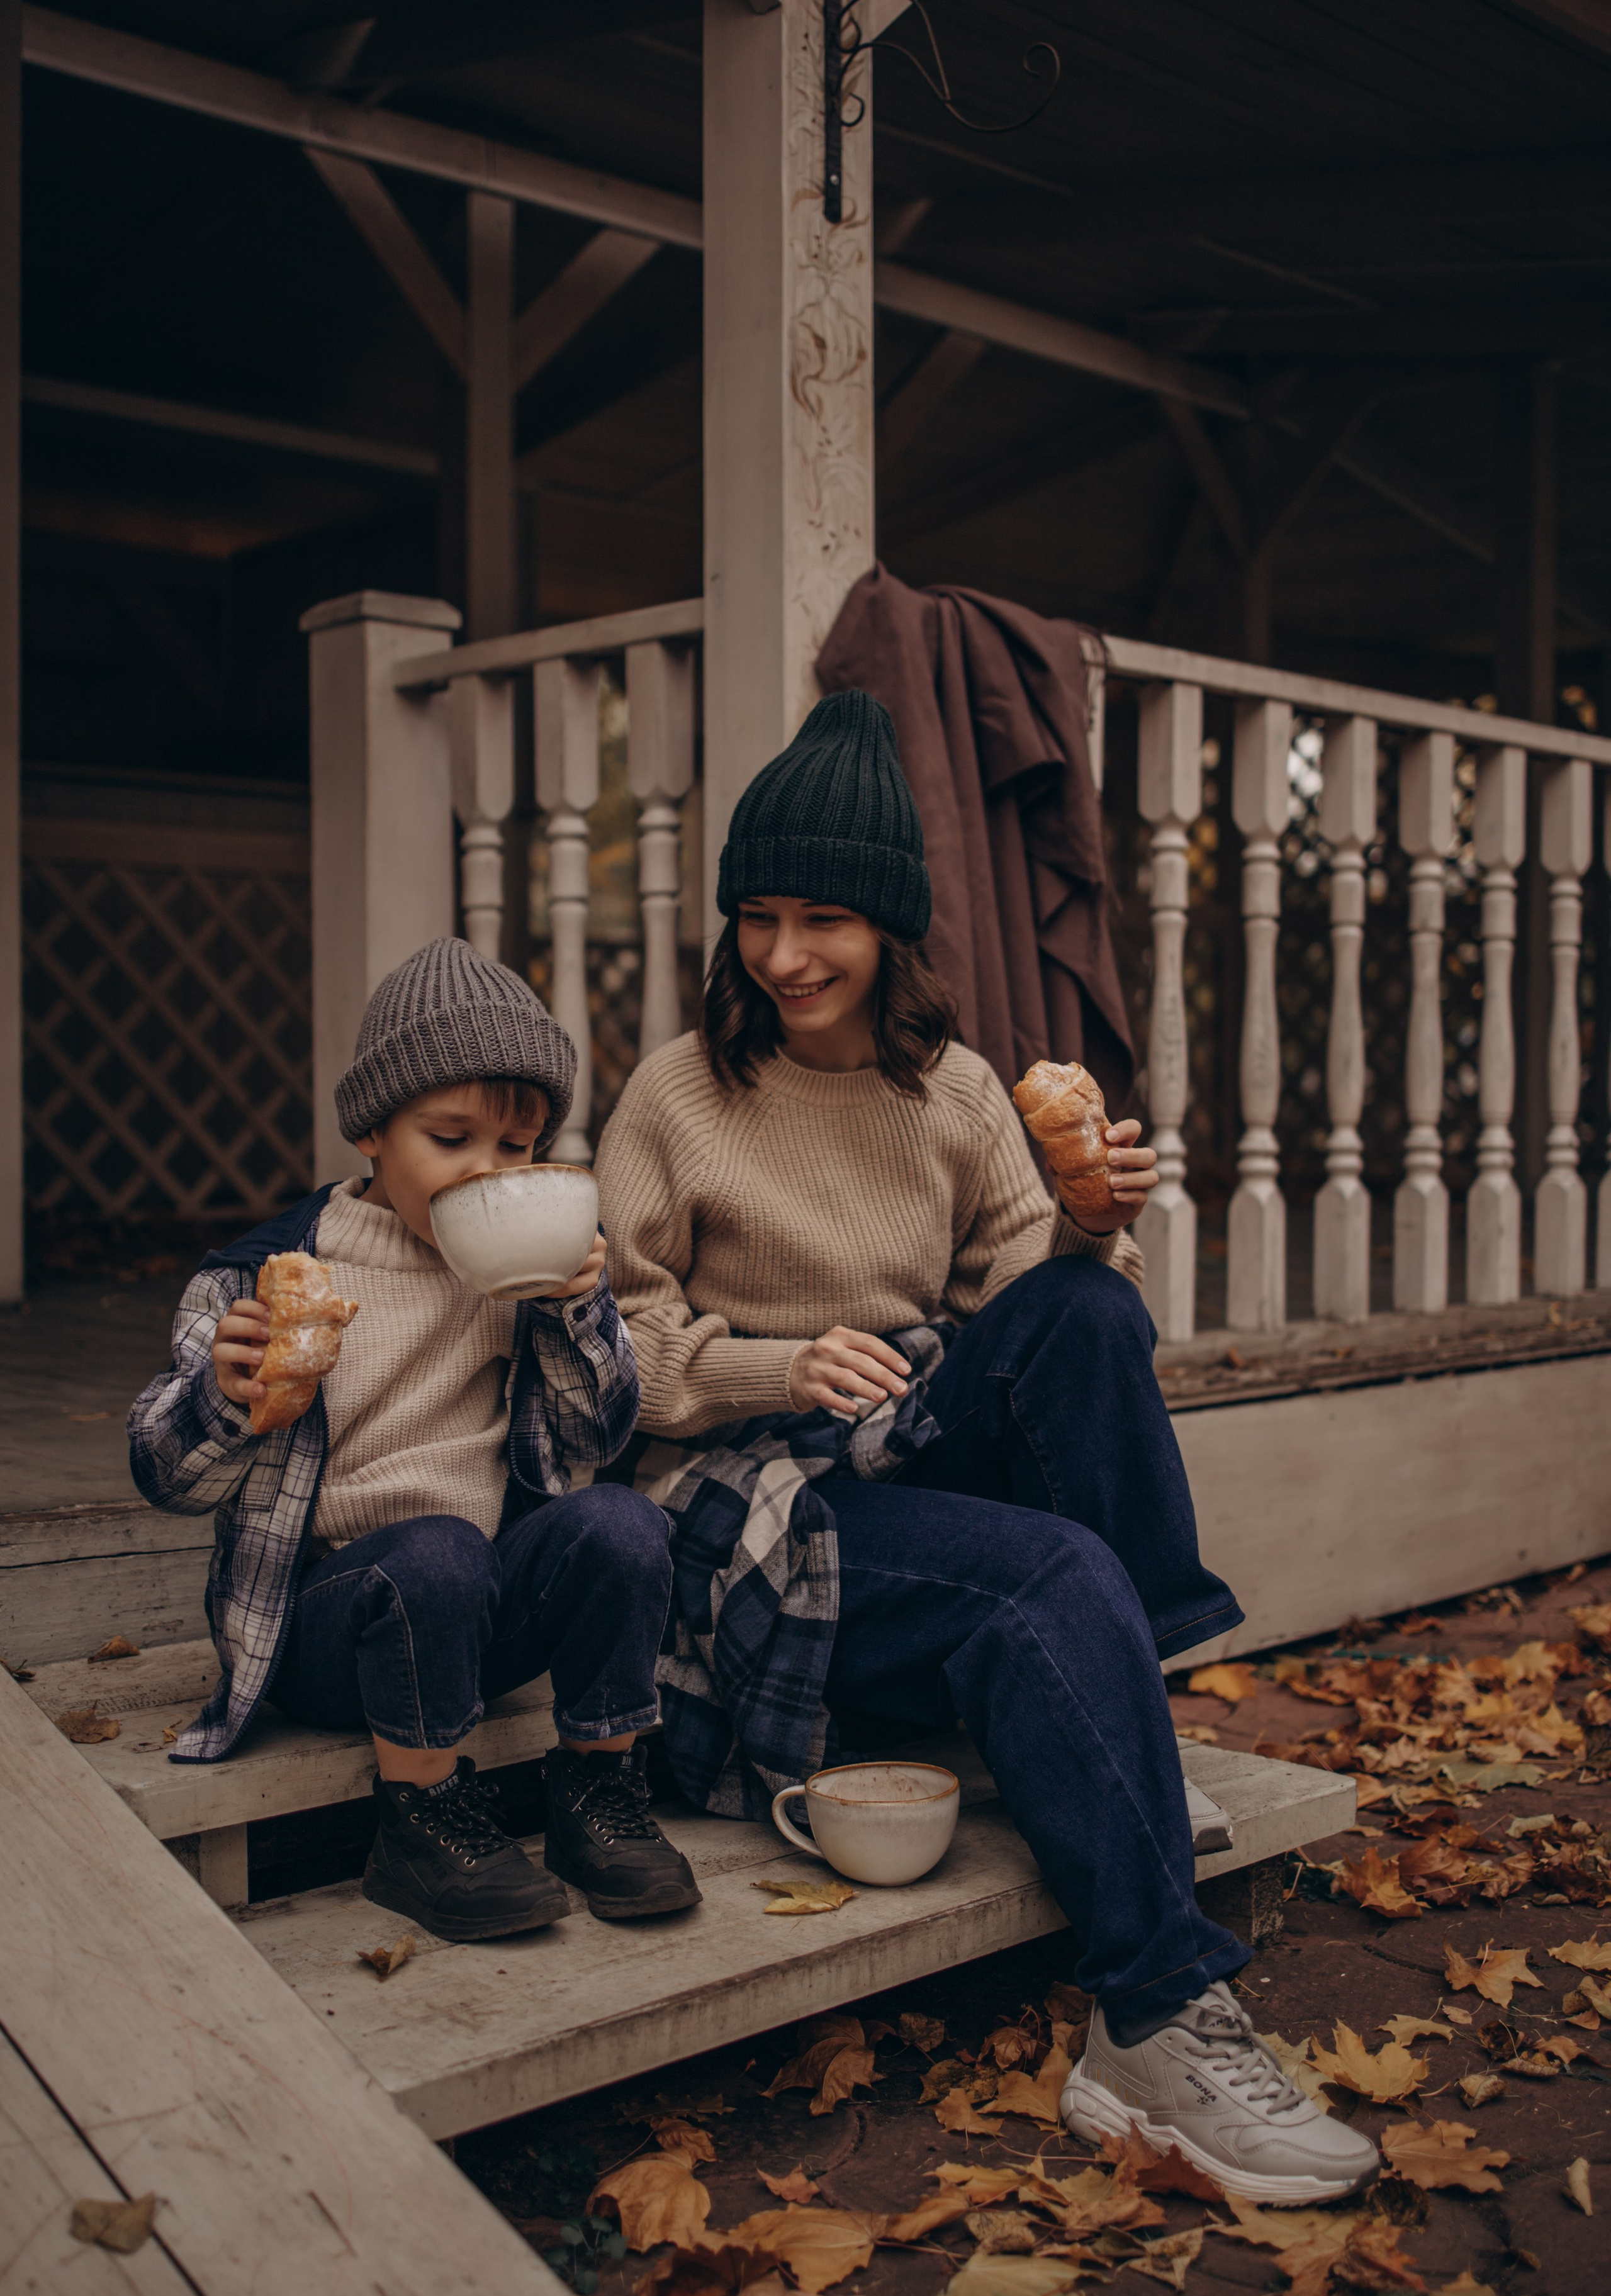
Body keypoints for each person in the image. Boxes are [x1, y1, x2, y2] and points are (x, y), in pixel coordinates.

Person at [593, 690, 1378, 2204]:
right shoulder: (677, 1093)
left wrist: (1090, 1219)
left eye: (822, 917)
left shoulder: (952, 1091)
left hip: (903, 1446)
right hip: (739, 1506)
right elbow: (607, 1352)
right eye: (756, 917)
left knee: (1084, 1309)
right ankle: (1150, 2021)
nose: (783, 955)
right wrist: (768, 1360)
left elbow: (1056, 1331)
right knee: (1038, 1582)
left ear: (891, 928)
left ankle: (1124, 1714)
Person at [129, 937, 700, 1940]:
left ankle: (599, 1793)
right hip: (331, 1624)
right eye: (451, 1139)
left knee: (622, 1523)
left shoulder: (518, 1284)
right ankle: (421, 1819)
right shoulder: (260, 1284)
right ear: (373, 1135)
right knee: (436, 1549)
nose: (490, 1173)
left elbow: (596, 1436)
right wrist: (222, 1395)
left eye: (518, 1150)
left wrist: (582, 1314)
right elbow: (164, 1475)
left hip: (473, 1614)